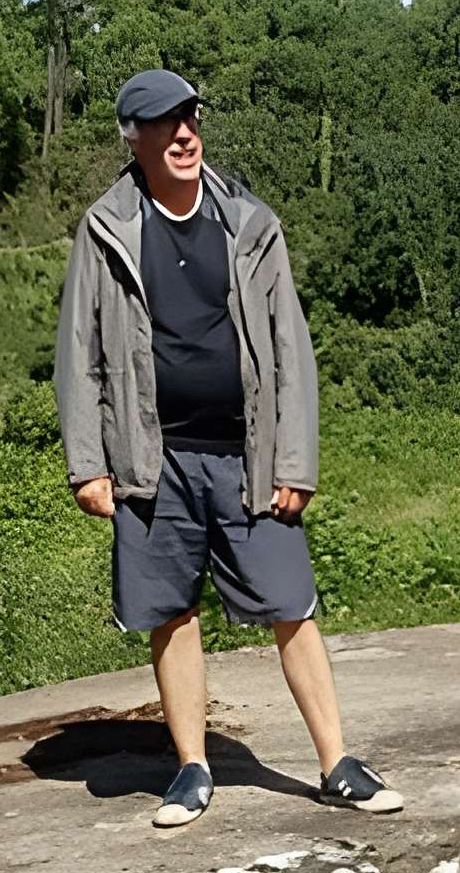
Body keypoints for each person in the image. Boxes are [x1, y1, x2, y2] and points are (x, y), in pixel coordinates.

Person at [54, 68, 404, 831]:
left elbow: (291, 350)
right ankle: (191, 768)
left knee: (292, 604)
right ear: (134, 139)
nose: (183, 134)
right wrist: (88, 462)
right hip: (154, 464)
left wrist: (294, 463)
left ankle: (337, 763)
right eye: (164, 124)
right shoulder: (106, 227)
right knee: (170, 612)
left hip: (247, 457)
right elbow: (79, 349)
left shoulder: (249, 221)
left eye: (190, 120)